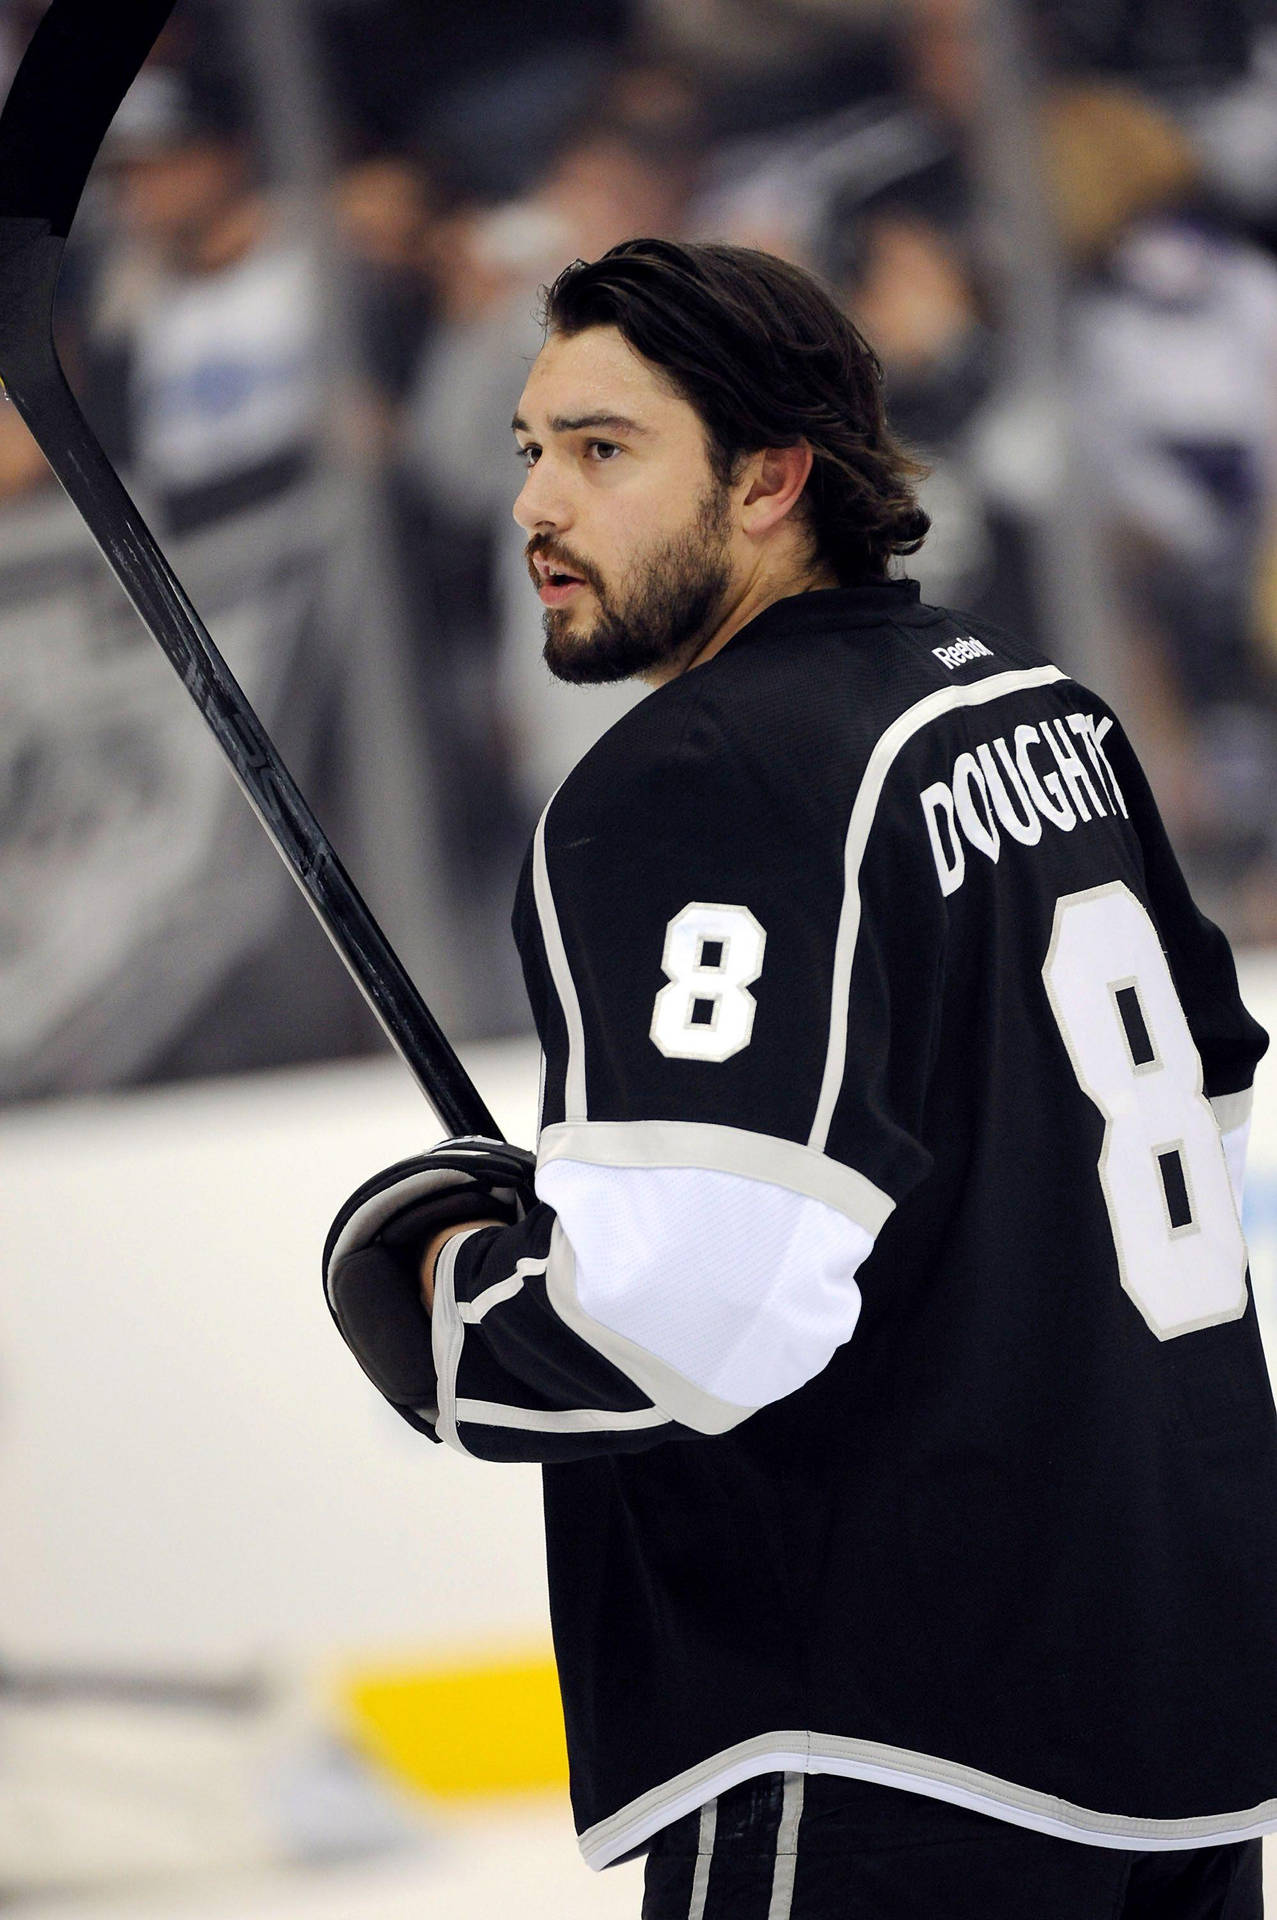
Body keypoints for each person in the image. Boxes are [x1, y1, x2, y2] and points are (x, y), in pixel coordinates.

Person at [324, 239, 1277, 1918]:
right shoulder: (1036, 707)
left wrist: (448, 1299)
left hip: (887, 1736)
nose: (538, 505)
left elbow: (677, 1330)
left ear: (771, 479)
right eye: (530, 448)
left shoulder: (697, 779)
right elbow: (1181, 1112)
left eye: (604, 451)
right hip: (1176, 1710)